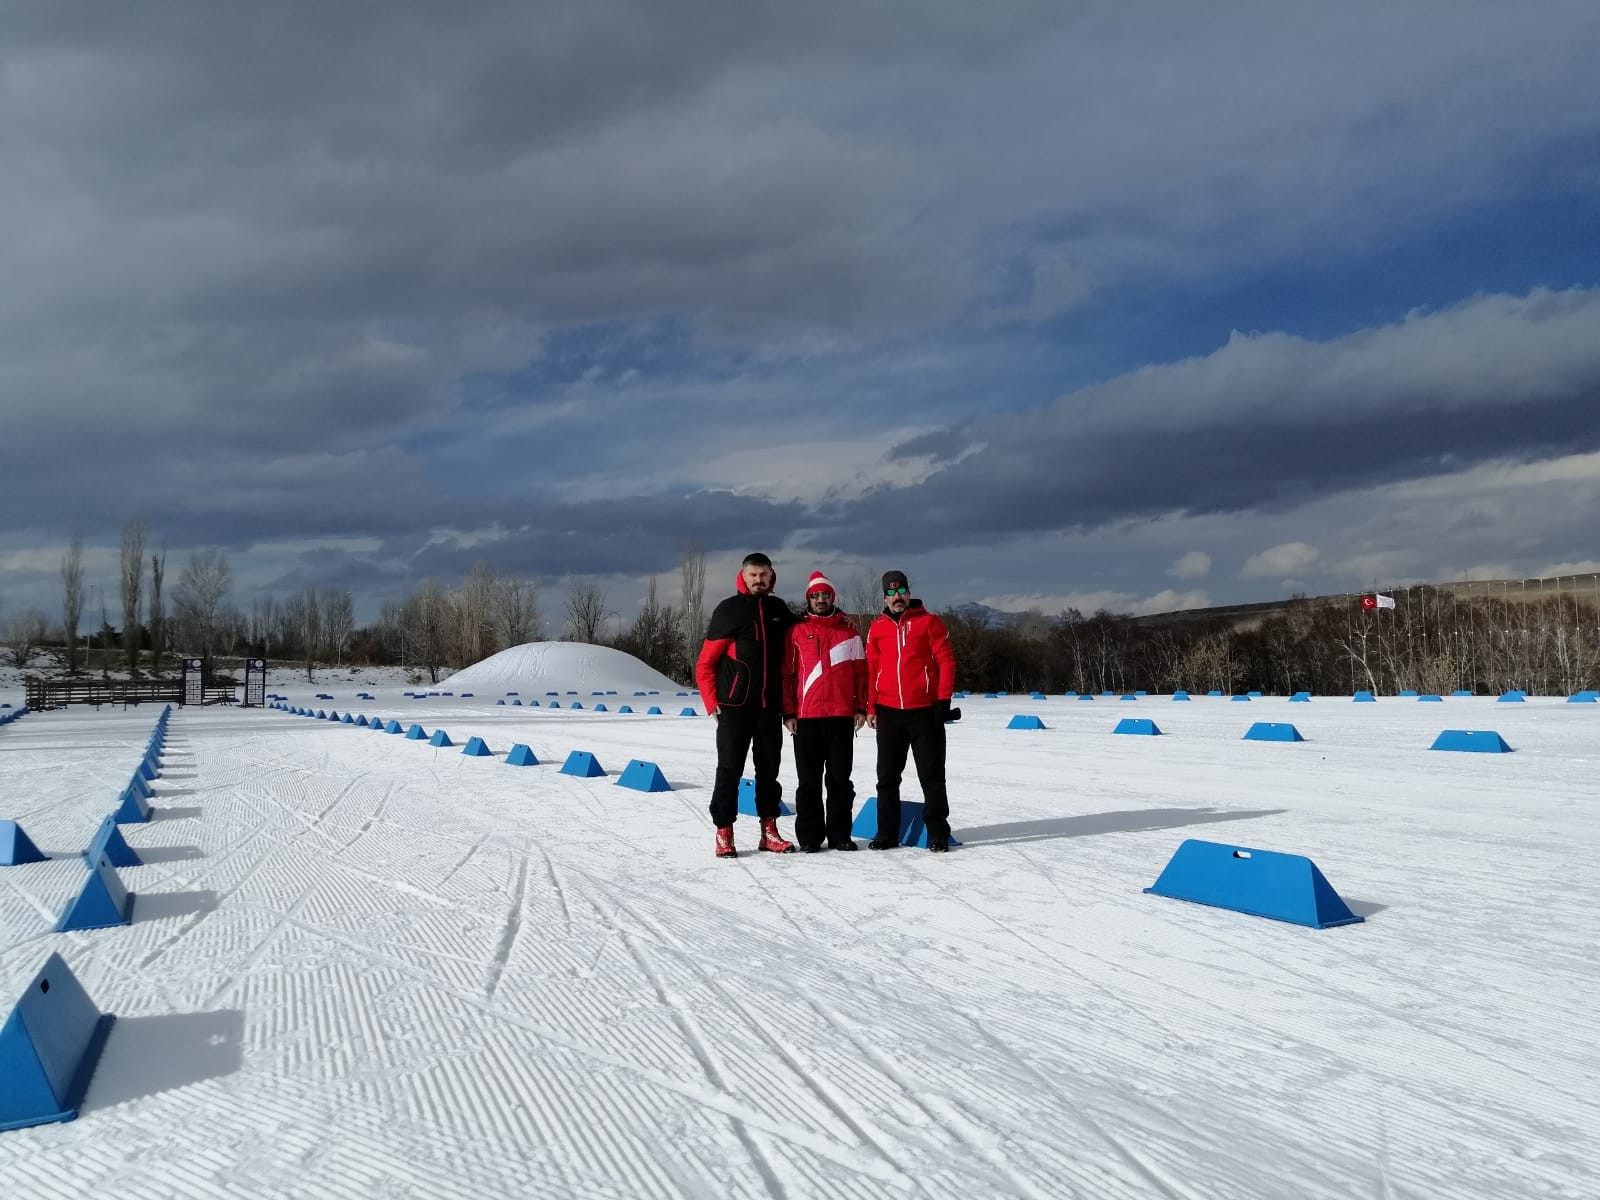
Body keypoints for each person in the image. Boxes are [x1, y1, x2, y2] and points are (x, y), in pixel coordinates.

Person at [696, 552, 800, 858]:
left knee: (769, 771)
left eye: (763, 575)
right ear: (743, 576)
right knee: (729, 770)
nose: (758, 580)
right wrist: (711, 701)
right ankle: (724, 832)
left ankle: (769, 831)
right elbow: (705, 663)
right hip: (734, 707)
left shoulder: (778, 609)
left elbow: (804, 637)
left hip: (769, 707)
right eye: (753, 575)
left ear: (772, 576)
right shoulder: (728, 610)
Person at [865, 570, 957, 851]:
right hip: (889, 711)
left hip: (925, 712)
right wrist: (870, 706)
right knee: (887, 778)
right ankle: (886, 833)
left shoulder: (929, 622)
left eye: (901, 591)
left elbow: (946, 661)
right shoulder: (877, 627)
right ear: (884, 597)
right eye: (891, 593)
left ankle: (938, 833)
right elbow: (871, 669)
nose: (897, 597)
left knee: (932, 776)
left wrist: (942, 702)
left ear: (908, 592)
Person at [782, 571, 868, 852]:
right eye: (815, 595)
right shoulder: (796, 631)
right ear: (809, 598)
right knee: (808, 782)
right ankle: (809, 837)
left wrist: (860, 707)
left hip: (841, 717)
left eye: (825, 595)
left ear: (833, 598)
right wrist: (789, 712)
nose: (821, 600)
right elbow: (788, 675)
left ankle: (840, 834)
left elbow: (861, 674)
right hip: (806, 718)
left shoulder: (849, 631)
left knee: (840, 780)